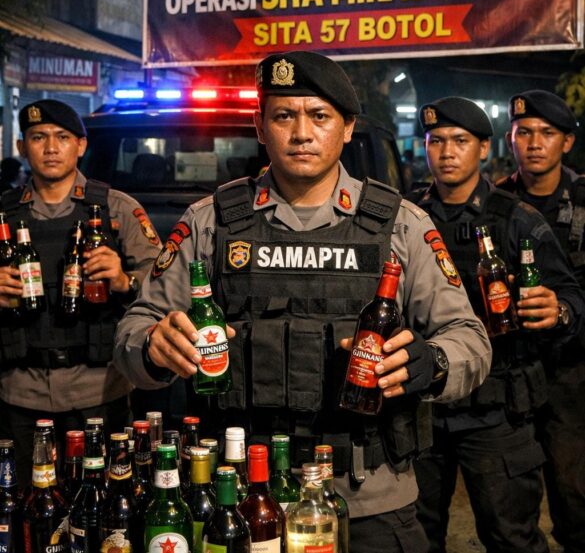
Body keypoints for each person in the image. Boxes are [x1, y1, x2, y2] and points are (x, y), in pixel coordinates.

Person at [115, 51, 491, 552]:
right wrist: (152, 347)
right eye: (283, 116)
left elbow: (470, 339)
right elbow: (135, 329)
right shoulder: (211, 223)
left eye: (319, 116)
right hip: (242, 498)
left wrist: (433, 363)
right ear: (260, 126)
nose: (301, 133)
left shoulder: (401, 225)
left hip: (369, 498)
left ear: (347, 127)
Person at [406, 97, 584, 553]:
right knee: (415, 539)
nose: (447, 152)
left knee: (512, 537)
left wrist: (558, 310)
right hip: (423, 407)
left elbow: (570, 295)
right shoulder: (405, 217)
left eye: (460, 141)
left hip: (496, 409)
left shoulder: (518, 218)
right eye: (436, 141)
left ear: (484, 148)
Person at [0, 99, 161, 488]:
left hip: (98, 391)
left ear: (81, 145)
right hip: (20, 393)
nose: (50, 148)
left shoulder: (116, 210)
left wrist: (123, 280)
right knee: (23, 506)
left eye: (62, 137)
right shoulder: (4, 216)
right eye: (38, 137)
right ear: (22, 147)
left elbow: (164, 284)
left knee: (101, 504)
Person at [497, 89, 585, 553]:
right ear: (509, 139)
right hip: (512, 367)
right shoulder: (496, 203)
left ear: (566, 142)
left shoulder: (583, 199)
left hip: (573, 369)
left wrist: (565, 310)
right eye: (523, 132)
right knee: (512, 500)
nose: (534, 143)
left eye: (547, 133)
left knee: (574, 494)